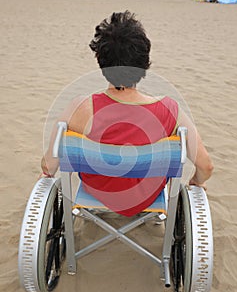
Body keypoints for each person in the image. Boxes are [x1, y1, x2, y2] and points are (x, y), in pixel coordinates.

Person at [40, 11, 213, 216]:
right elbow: (206, 166)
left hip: (97, 193)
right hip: (146, 198)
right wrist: (196, 181)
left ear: (101, 62)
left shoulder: (80, 108)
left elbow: (48, 166)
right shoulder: (171, 110)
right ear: (143, 64)